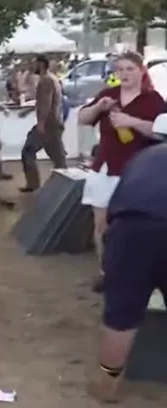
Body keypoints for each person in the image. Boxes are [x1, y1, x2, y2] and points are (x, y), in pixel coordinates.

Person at [86, 129, 167, 403]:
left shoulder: (142, 157)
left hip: (128, 231)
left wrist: (111, 263)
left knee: (121, 316)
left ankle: (107, 386)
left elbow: (105, 221)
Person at [77, 51, 164, 293]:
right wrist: (98, 107)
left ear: (141, 71)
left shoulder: (153, 100)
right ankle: (106, 272)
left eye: (129, 69)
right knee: (101, 224)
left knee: (137, 225)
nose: (124, 74)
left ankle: (140, 274)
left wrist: (132, 122)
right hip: (105, 167)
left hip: (138, 172)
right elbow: (83, 118)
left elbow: (161, 132)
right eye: (120, 69)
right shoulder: (108, 94)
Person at [18, 56, 67, 192]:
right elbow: (44, 102)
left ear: (41, 64)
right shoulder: (51, 78)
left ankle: (35, 184)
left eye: (34, 64)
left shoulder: (45, 80)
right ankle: (63, 186)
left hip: (48, 126)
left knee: (28, 151)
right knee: (58, 159)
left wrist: (41, 123)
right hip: (53, 124)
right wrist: (28, 111)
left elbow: (46, 103)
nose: (32, 67)